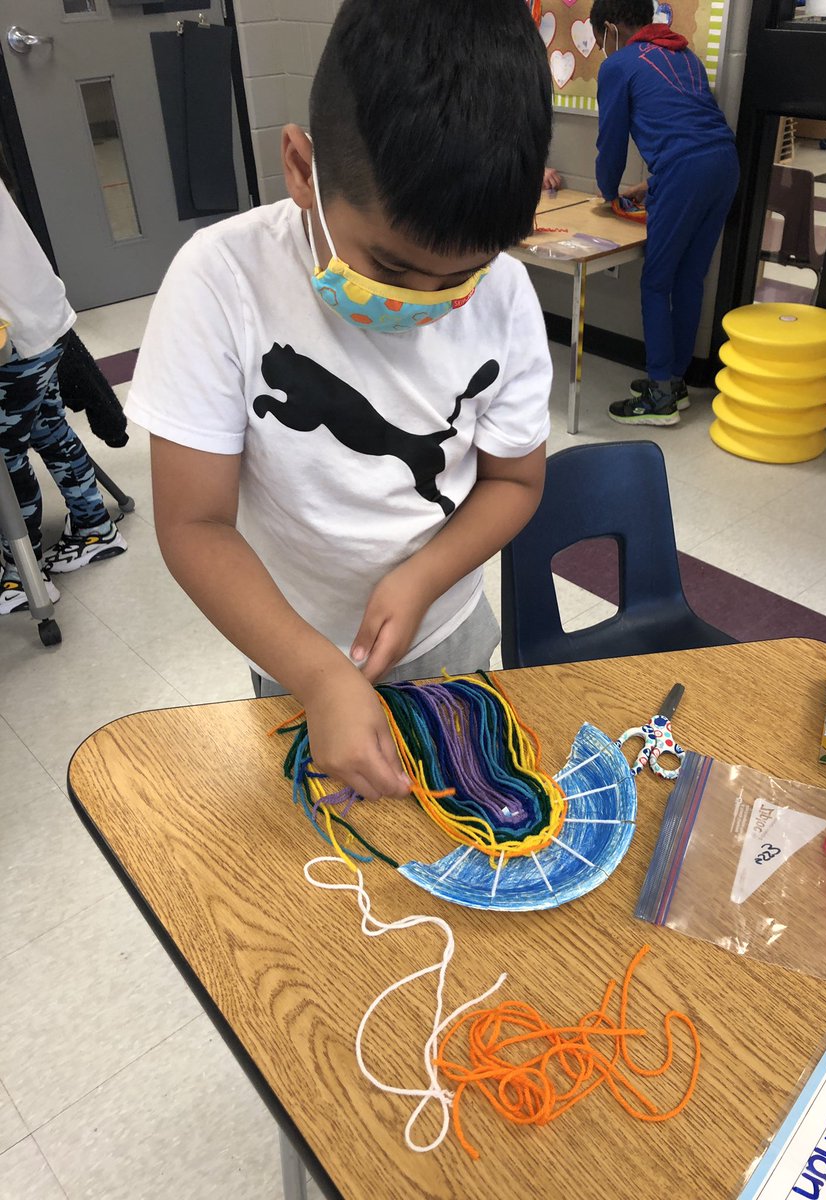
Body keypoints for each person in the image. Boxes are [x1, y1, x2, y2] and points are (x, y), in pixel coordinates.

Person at [126, 0, 553, 804]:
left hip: (448, 626)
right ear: (300, 168)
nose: (427, 303)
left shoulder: (507, 297)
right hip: (290, 643)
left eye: (460, 279)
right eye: (392, 269)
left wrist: (424, 576)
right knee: (329, 840)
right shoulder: (221, 283)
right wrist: (318, 677)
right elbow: (193, 524)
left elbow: (515, 481)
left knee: (460, 813)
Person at [590, 0, 739, 426]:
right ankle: (675, 381)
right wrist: (652, 185)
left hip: (684, 171)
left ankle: (658, 398)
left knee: (656, 282)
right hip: (723, 163)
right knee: (689, 278)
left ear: (611, 28)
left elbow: (612, 141)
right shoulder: (684, 53)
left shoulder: (620, 64)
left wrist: (608, 193)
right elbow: (691, 126)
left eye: (601, 40)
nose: (603, 49)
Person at [0, 175, 127, 615]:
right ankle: (94, 528)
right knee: (49, 429)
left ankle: (23, 576)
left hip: (12, 342)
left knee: (4, 457)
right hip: (44, 324)